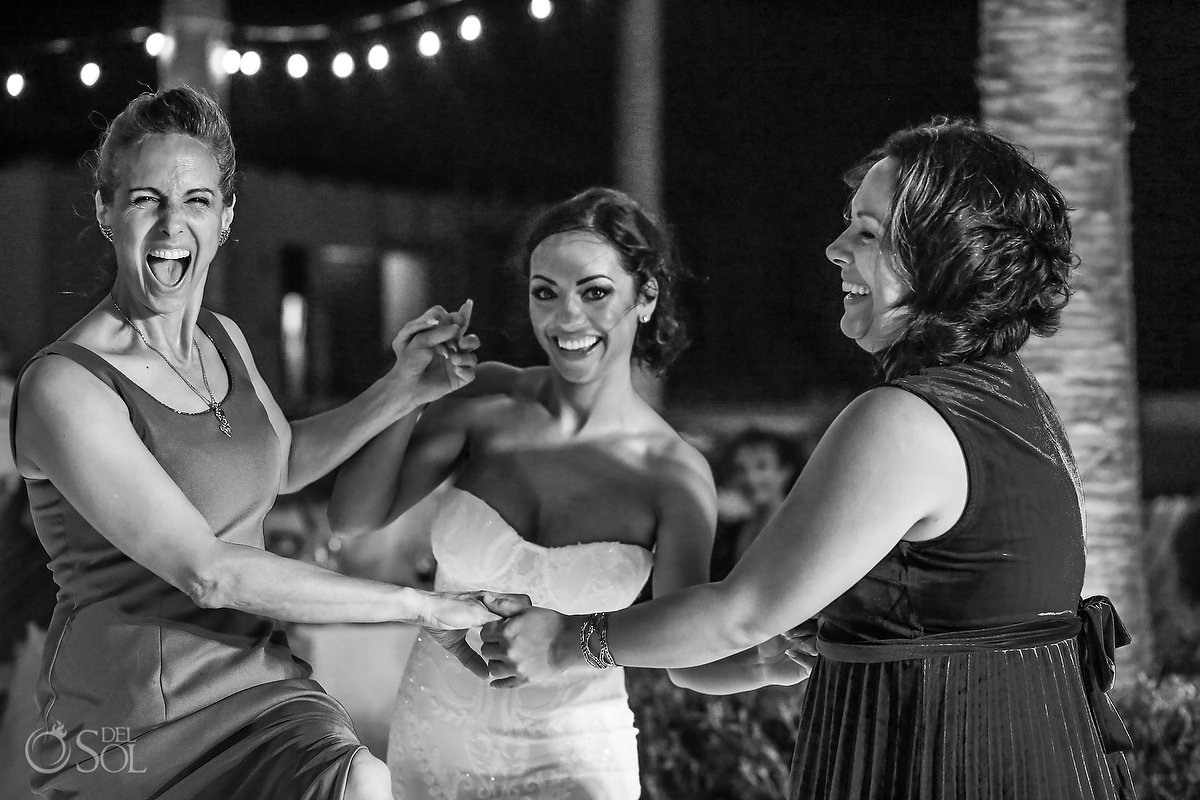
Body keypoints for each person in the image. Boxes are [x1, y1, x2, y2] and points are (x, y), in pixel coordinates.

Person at [481, 119, 1136, 800]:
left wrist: (570, 642)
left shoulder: (904, 419)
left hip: (938, 767)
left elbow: (741, 611)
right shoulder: (1015, 401)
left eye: (869, 234)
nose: (833, 249)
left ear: (947, 257)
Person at [8, 86, 512, 800]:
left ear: (227, 217)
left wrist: (404, 389)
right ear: (105, 210)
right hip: (126, 731)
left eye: (197, 202)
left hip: (264, 694)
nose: (170, 226)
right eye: (146, 199)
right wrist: (423, 607)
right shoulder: (65, 385)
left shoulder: (225, 339)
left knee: (366, 784)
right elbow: (209, 572)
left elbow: (279, 462)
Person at [329, 187, 802, 799]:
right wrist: (405, 393)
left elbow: (681, 652)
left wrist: (760, 665)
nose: (566, 319)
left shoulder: (673, 473)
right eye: (545, 293)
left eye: (595, 292)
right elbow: (353, 517)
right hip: (432, 743)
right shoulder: (485, 402)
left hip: (578, 758)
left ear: (647, 295)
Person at [710, 428, 804, 580]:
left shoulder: (804, 528)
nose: (750, 478)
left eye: (761, 467)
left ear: (785, 471)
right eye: (740, 469)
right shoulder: (730, 533)